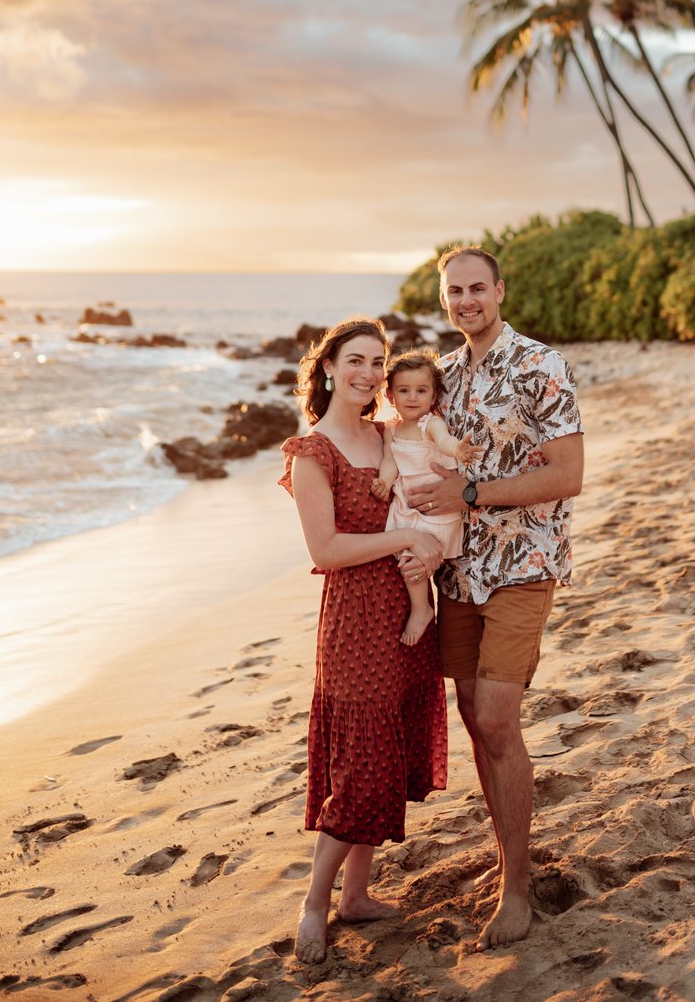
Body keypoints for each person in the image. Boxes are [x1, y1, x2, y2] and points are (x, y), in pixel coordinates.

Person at [400, 248, 584, 951]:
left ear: (500, 290)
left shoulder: (542, 365)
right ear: (445, 300)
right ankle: (509, 853)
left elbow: (568, 474)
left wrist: (473, 490)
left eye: (478, 287)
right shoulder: (440, 376)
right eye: (455, 290)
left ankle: (517, 889)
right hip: (459, 571)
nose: (467, 299)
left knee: (498, 715)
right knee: (476, 718)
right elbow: (407, 444)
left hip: (523, 562)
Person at [279, 317, 448, 965]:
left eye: (378, 362)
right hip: (354, 622)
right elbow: (325, 548)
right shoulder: (309, 452)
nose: (370, 373)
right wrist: (405, 539)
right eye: (356, 360)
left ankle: (356, 894)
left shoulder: (390, 434)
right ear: (328, 368)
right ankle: (315, 905)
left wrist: (431, 545)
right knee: (360, 767)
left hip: (409, 613)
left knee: (390, 757)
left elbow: (432, 487)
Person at [370, 348, 483, 647]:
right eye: (404, 390)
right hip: (407, 504)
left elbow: (444, 441)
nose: (412, 398)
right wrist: (384, 481)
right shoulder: (390, 430)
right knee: (407, 553)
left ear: (433, 397)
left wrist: (458, 449)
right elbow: (390, 461)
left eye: (421, 391)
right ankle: (422, 604)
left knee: (413, 559)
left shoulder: (429, 424)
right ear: (390, 396)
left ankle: (421, 610)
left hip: (436, 507)